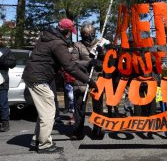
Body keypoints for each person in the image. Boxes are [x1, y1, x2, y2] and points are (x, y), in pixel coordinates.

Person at [22, 18, 98, 154]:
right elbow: (70, 66)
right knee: (49, 111)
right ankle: (44, 144)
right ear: (67, 32)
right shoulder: (58, 43)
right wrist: (89, 80)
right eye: (70, 32)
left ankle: (37, 139)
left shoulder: (46, 38)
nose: (70, 35)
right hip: (38, 78)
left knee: (45, 109)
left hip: (34, 76)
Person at [71, 21, 104, 140]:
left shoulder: (100, 44)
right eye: (86, 34)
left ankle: (98, 130)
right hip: (82, 79)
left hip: (97, 79)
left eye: (91, 33)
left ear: (94, 33)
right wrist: (88, 63)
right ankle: (78, 131)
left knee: (98, 107)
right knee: (80, 107)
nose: (89, 36)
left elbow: (108, 61)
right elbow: (73, 62)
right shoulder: (77, 45)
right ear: (82, 34)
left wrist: (102, 56)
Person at [0, 37, 16, 132]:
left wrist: (2, 60)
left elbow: (12, 63)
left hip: (2, 81)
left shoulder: (5, 50)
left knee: (2, 103)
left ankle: (5, 123)